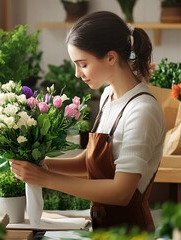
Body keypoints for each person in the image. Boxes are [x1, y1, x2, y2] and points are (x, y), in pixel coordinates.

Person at [10, 11, 166, 231]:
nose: (77, 73)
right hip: (103, 229)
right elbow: (90, 162)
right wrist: (39, 164)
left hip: (130, 233)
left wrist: (46, 179)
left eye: (82, 64)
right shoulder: (108, 96)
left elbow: (121, 192)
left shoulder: (142, 110)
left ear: (111, 57)